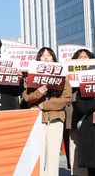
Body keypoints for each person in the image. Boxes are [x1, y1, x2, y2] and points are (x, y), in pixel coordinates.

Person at [22, 47, 72, 176]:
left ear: (53, 58)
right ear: (38, 59)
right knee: (39, 152)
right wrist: (38, 93)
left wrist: (45, 104)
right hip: (37, 119)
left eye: (49, 55)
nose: (45, 58)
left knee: (53, 153)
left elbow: (66, 98)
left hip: (56, 118)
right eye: (42, 56)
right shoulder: (30, 78)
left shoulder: (63, 78)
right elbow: (26, 98)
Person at [65, 49, 95, 176]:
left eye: (86, 56)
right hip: (73, 112)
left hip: (93, 112)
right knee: (75, 145)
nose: (83, 58)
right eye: (79, 56)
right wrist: (66, 81)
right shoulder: (68, 75)